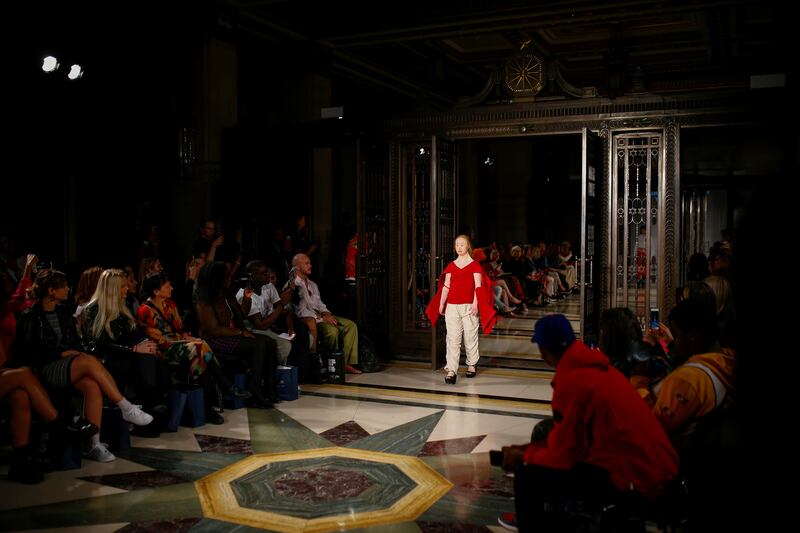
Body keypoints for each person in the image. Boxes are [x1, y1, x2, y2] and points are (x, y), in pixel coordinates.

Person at [497, 314, 678, 532]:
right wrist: (528, 450)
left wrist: (523, 457)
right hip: (656, 469)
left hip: (636, 479)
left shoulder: (573, 382)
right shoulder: (599, 367)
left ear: (543, 351)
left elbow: (564, 455)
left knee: (528, 475)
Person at [15, 269, 154, 463]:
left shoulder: (63, 312)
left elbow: (76, 343)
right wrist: (62, 353)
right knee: (89, 360)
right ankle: (125, 406)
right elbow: (29, 353)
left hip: (69, 366)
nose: (68, 289)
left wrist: (73, 352)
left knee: (92, 385)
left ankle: (93, 444)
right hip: (44, 369)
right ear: (51, 291)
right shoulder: (31, 316)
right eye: (63, 286)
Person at [138, 272, 251, 424]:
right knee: (199, 347)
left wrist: (187, 337)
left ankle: (208, 408)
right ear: (156, 291)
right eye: (167, 286)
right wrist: (184, 340)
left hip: (181, 347)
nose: (171, 288)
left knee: (199, 359)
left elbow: (180, 327)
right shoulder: (145, 311)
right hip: (162, 351)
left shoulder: (170, 304)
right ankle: (226, 386)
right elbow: (158, 339)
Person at [425, 235, 497, 384]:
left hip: (469, 306)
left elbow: (478, 286)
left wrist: (476, 303)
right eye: (457, 244)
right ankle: (451, 370)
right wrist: (441, 303)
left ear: (468, 246)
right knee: (452, 339)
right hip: (452, 306)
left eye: (462, 244)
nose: (459, 247)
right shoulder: (451, 265)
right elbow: (446, 286)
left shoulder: (475, 265)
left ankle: (471, 364)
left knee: (470, 337)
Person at [290, 253, 360, 374]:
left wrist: (326, 313)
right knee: (332, 331)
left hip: (321, 315)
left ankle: (346, 363)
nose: (310, 265)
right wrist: (322, 318)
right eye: (306, 263)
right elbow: (300, 311)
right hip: (310, 320)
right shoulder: (293, 285)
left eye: (310, 262)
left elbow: (320, 304)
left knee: (350, 325)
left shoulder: (312, 284)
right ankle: (332, 362)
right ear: (297, 267)